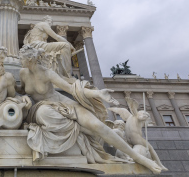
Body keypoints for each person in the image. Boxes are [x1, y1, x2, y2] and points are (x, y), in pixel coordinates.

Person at [16, 45, 163, 174]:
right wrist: (18, 95)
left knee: (98, 126)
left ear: (31, 60)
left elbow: (71, 89)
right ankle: (81, 130)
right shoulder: (23, 73)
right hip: (43, 107)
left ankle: (139, 158)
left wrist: (97, 93)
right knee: (47, 114)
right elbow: (22, 90)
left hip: (64, 104)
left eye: (22, 59)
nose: (20, 61)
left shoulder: (47, 73)